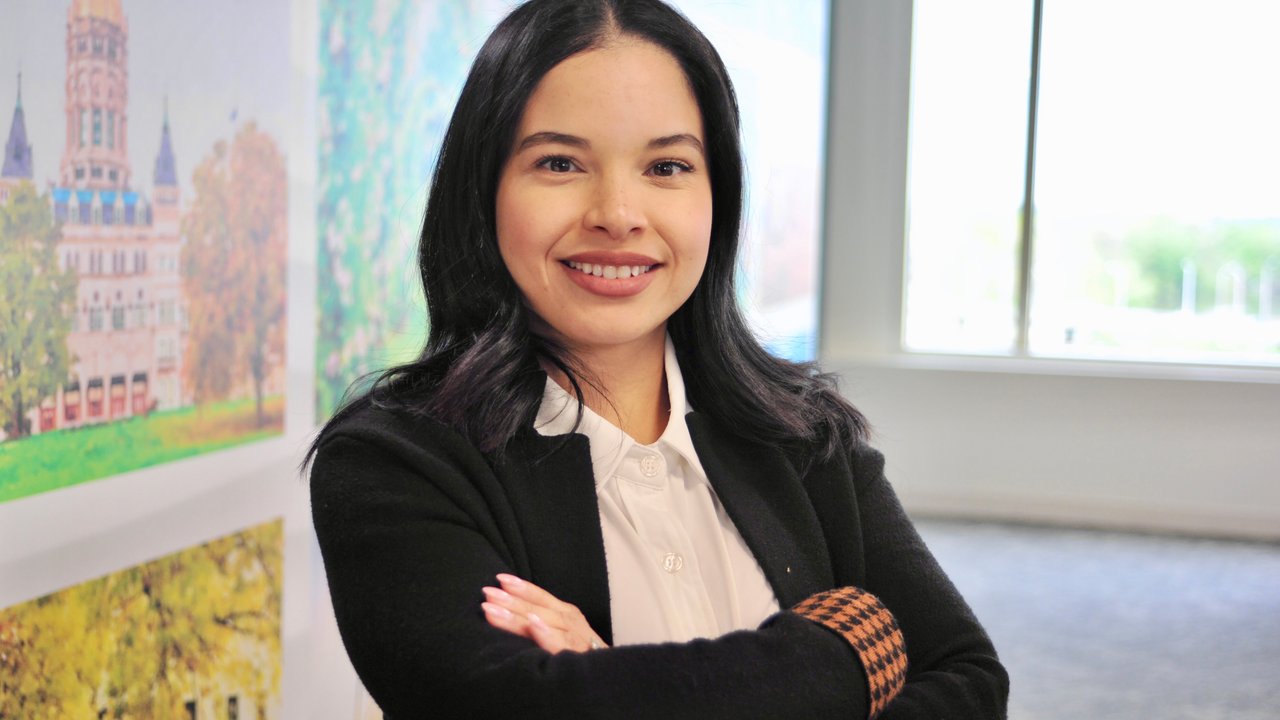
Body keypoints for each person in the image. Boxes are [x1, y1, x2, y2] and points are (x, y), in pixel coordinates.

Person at [307, 0, 1009, 717]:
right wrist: (843, 655)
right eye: (559, 162)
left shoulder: (802, 432)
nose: (617, 212)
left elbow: (970, 681)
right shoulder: (393, 463)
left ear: (717, 196)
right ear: (482, 190)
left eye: (667, 165)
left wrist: (613, 680)